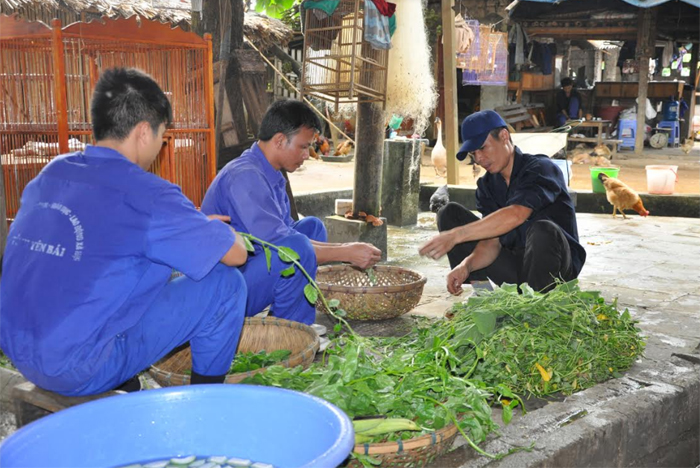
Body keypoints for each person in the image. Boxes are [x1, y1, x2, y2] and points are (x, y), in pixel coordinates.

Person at [0, 68, 249, 396]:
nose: (161, 146)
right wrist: (213, 230)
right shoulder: (148, 193)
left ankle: (120, 375)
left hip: (19, 350)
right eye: (163, 136)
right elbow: (236, 254)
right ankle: (206, 402)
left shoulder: (53, 172)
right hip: (76, 368)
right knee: (225, 285)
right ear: (144, 132)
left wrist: (195, 231)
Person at [201, 99, 381, 326]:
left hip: (248, 270)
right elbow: (284, 247)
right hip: (222, 293)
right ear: (279, 140)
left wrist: (347, 249)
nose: (307, 155)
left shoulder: (270, 172)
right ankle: (290, 332)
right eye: (304, 146)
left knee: (312, 227)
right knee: (298, 247)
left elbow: (285, 234)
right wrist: (346, 252)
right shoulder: (244, 176)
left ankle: (285, 318)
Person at [419, 110, 586, 294]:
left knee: (543, 229)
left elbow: (516, 214)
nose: (479, 159)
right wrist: (466, 266)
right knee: (449, 214)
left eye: (482, 148)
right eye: (473, 153)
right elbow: (491, 243)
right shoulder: (487, 186)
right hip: (517, 271)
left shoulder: (541, 169)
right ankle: (484, 298)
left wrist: (456, 235)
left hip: (556, 272)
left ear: (504, 136)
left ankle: (537, 308)